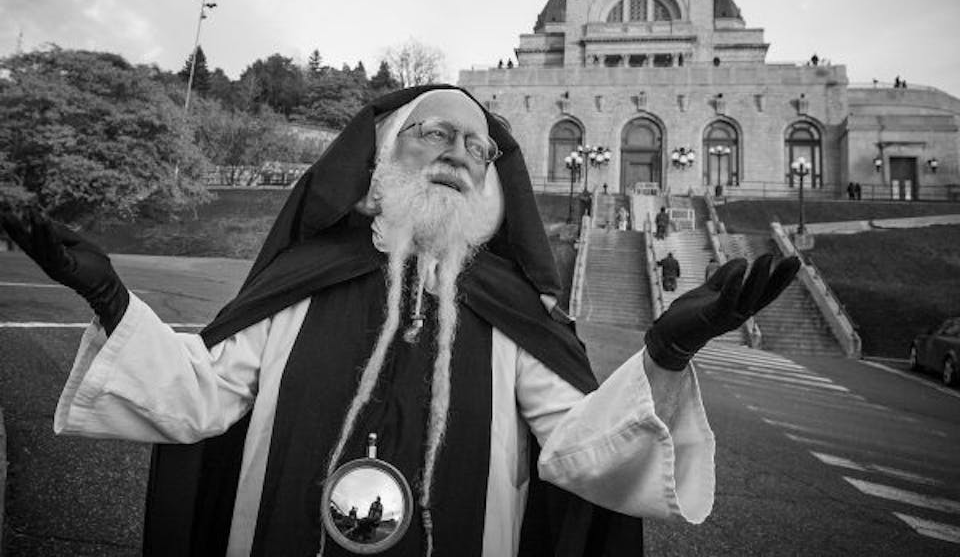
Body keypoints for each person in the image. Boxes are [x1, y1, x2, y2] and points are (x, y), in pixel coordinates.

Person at [0, 85, 799, 557]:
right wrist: (110, 298)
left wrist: (665, 350)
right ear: (384, 155)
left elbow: (581, 450)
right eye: (435, 133)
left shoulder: (510, 309)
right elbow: (197, 402)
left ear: (491, 179)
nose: (458, 151)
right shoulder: (302, 281)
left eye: (478, 147)